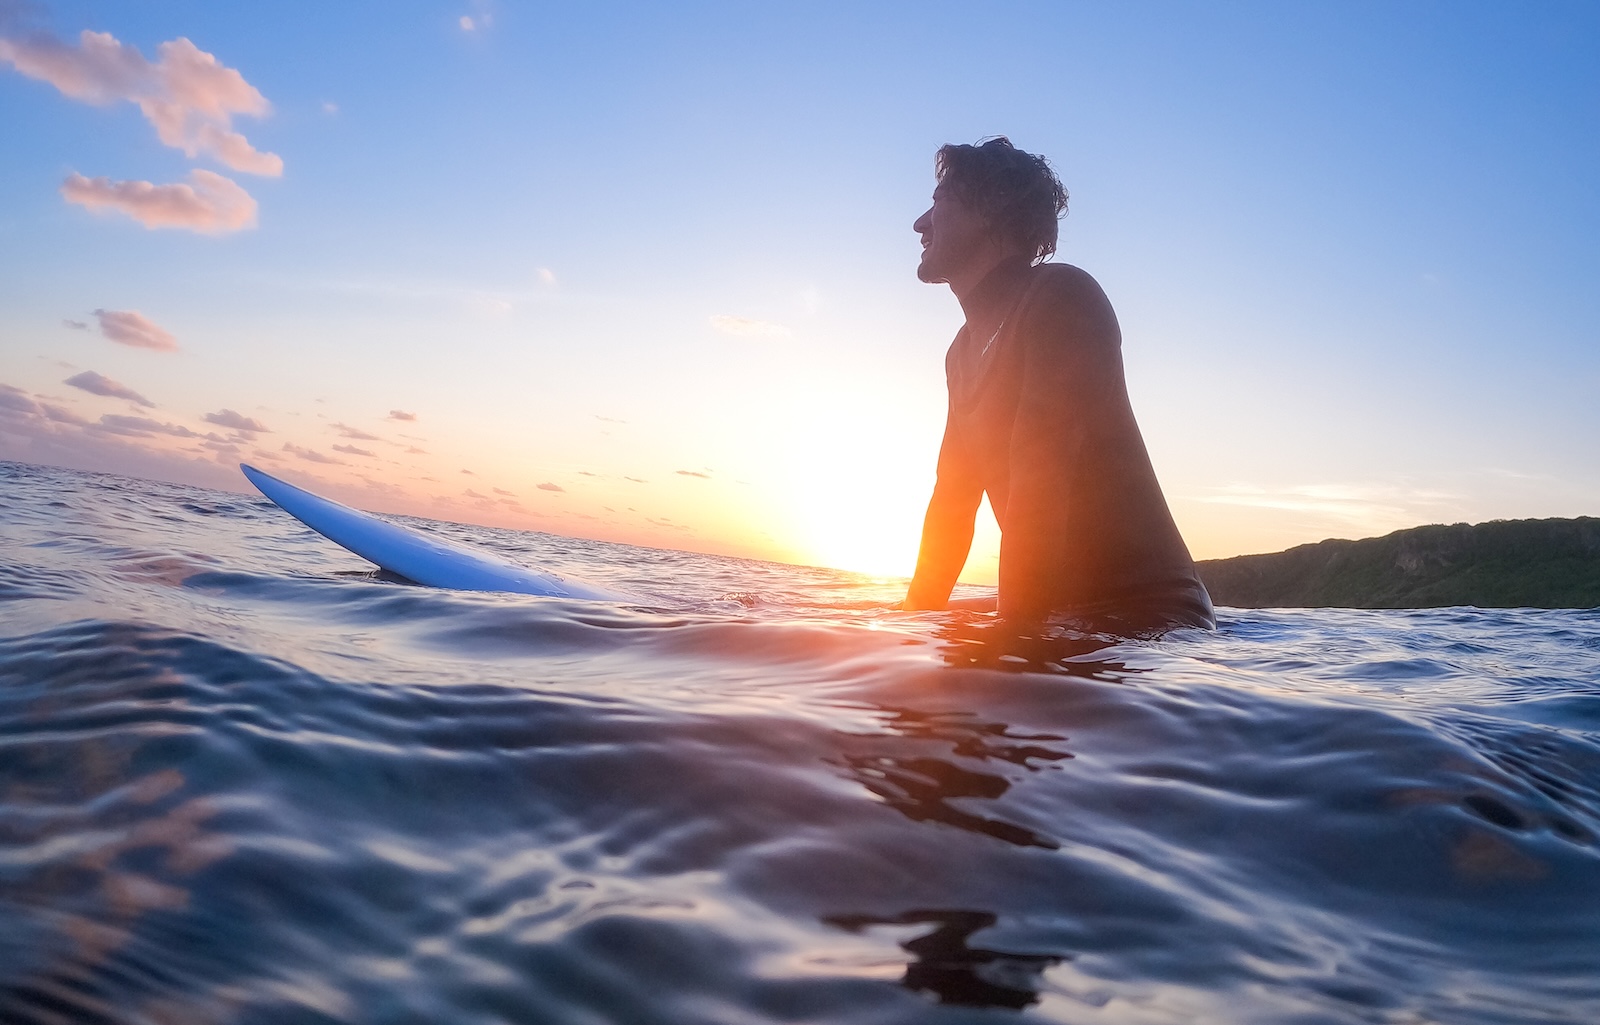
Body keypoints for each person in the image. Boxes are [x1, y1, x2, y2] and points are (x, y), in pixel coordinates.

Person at [900, 137, 1214, 634]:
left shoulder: (1060, 298)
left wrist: (1013, 645)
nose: (920, 223)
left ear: (988, 212)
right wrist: (908, 626)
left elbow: (1038, 479)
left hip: (1149, 615)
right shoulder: (961, 353)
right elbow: (951, 506)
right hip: (1064, 610)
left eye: (939, 201)